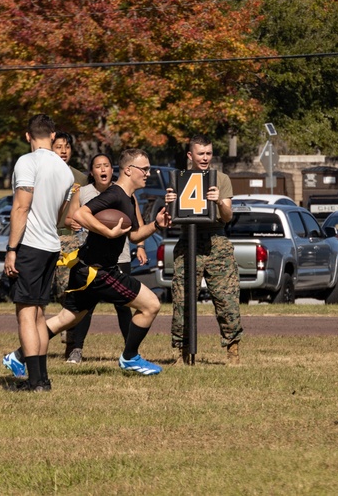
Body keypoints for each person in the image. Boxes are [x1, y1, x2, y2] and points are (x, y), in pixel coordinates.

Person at [42, 148, 170, 379]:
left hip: (88, 269)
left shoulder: (128, 198)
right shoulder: (115, 194)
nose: (148, 174)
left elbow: (133, 236)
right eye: (145, 169)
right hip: (98, 272)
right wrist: (107, 233)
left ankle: (19, 355)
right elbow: (80, 215)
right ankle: (130, 357)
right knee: (151, 304)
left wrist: (156, 225)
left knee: (65, 319)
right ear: (129, 170)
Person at [1, 115, 75, 392]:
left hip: (30, 246)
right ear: (53, 136)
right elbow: (59, 214)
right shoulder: (65, 170)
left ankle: (34, 382)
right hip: (51, 245)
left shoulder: (27, 162)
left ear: (27, 136)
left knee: (25, 314)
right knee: (39, 314)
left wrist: (11, 249)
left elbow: (21, 207)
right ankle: (42, 379)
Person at [164, 135, 243, 365]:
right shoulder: (178, 179)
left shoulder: (221, 179)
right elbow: (169, 219)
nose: (206, 158)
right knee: (182, 299)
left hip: (216, 241)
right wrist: (169, 202)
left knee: (226, 298)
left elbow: (228, 216)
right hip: (188, 241)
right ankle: (181, 352)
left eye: (209, 153)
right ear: (190, 155)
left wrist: (219, 202)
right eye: (201, 153)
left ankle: (233, 350)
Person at [62, 154, 143, 363]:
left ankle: (129, 352)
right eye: (98, 166)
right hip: (91, 258)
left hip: (120, 256)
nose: (103, 169)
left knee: (124, 307)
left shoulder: (123, 193)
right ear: (92, 172)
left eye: (106, 165)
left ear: (112, 169)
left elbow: (136, 226)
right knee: (83, 309)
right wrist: (77, 224)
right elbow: (73, 217)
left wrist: (141, 246)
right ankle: (76, 349)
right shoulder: (84, 192)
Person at [52, 131, 88, 304]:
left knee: (66, 291)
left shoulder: (80, 178)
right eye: (58, 147)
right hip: (45, 236)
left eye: (67, 147)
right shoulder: (43, 175)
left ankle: (69, 330)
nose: (63, 151)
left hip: (70, 240)